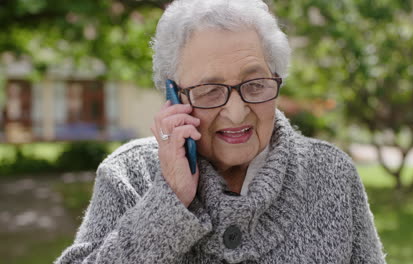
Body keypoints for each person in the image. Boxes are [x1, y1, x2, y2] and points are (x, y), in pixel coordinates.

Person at [55, 0, 386, 263]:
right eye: (210, 90)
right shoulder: (128, 175)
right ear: (173, 96)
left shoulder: (333, 174)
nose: (237, 111)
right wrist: (168, 202)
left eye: (255, 84)